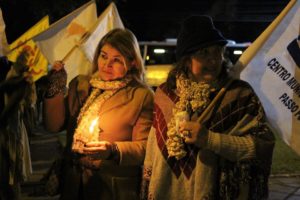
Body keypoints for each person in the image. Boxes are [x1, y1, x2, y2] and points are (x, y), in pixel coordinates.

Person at [141, 15, 275, 200]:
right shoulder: (165, 93)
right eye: (204, 53)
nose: (213, 61)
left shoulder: (240, 94)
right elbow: (153, 148)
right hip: (167, 191)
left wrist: (210, 140)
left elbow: (262, 146)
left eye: (217, 52)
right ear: (187, 60)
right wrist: (148, 185)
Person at [42, 28, 154, 200]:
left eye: (116, 60)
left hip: (112, 187)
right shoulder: (81, 86)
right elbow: (54, 125)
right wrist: (55, 88)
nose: (107, 65)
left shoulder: (141, 95)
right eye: (104, 56)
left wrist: (113, 150)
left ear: (132, 62)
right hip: (75, 183)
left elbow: (146, 147)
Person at [0, 51, 33, 200]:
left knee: (10, 177)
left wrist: (26, 85)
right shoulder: (13, 73)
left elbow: (30, 101)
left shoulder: (19, 72)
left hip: (11, 129)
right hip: (6, 127)